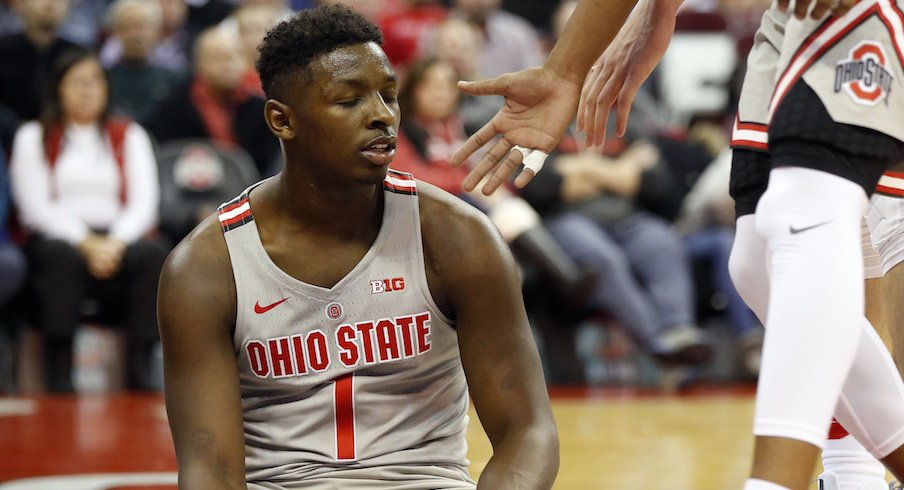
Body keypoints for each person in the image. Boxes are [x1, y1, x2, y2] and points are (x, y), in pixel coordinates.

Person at [449, 0, 904, 488]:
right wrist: (620, 33)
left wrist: (571, 65)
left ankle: (818, 479)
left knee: (811, 215)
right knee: (758, 261)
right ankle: (853, 477)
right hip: (787, 14)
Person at [157, 5, 559, 489]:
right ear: (282, 120)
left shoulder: (458, 238)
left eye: (389, 96)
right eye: (349, 101)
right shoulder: (204, 268)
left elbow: (528, 430)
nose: (382, 116)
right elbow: (211, 471)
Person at [9, 48, 168, 392]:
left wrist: (115, 242)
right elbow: (34, 207)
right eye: (77, 82)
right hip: (59, 238)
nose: (87, 90)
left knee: (153, 254)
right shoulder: (32, 136)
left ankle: (140, 369)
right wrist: (85, 241)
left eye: (95, 81)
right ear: (58, 89)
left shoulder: (131, 135)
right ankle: (59, 371)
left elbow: (145, 204)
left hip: (117, 238)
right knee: (58, 257)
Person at [146, 26, 279, 177]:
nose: (230, 65)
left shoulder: (259, 109)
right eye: (220, 58)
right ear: (199, 64)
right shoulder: (174, 109)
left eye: (236, 57)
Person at [0, 0, 77, 150]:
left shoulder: (76, 56)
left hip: (66, 144)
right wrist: (20, 129)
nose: (51, 3)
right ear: (21, 4)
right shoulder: (3, 51)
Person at [105, 0, 183, 123]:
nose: (136, 35)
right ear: (115, 31)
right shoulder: (104, 79)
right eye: (128, 26)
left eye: (143, 26)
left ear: (157, 30)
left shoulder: (174, 81)